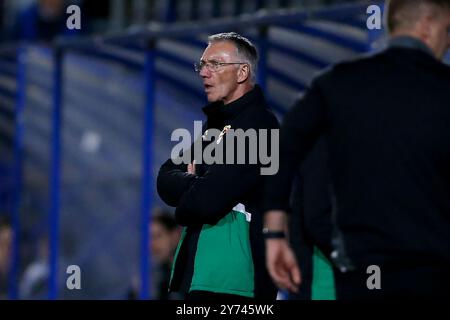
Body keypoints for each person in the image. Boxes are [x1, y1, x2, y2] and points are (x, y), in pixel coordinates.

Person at [263, 0, 450, 300]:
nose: (448, 41)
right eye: (447, 29)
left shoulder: (338, 84)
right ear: (427, 24)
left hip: (363, 274)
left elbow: (282, 148)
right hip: (435, 276)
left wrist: (274, 233)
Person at [157, 32, 278, 300]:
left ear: (242, 72)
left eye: (216, 64)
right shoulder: (216, 128)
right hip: (204, 276)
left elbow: (206, 201)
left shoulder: (258, 124)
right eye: (202, 65)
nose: (204, 73)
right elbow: (164, 177)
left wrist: (187, 201)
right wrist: (198, 185)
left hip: (235, 282)